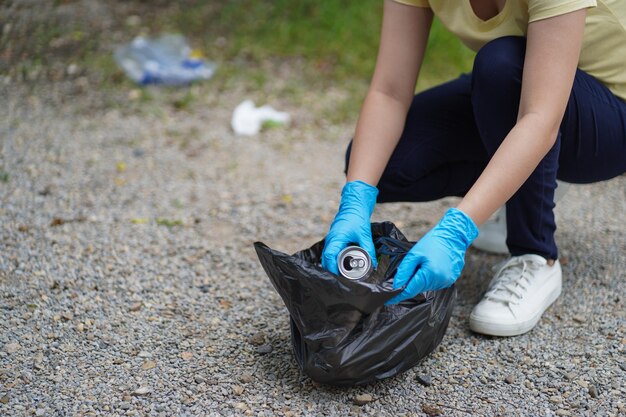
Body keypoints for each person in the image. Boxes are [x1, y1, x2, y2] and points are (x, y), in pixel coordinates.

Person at [321, 0, 626, 337]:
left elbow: (540, 118)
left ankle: (536, 255)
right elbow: (389, 91)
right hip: (529, 84)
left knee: (501, 64)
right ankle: (522, 188)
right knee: (380, 165)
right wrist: (356, 198)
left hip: (611, 115)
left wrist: (458, 228)